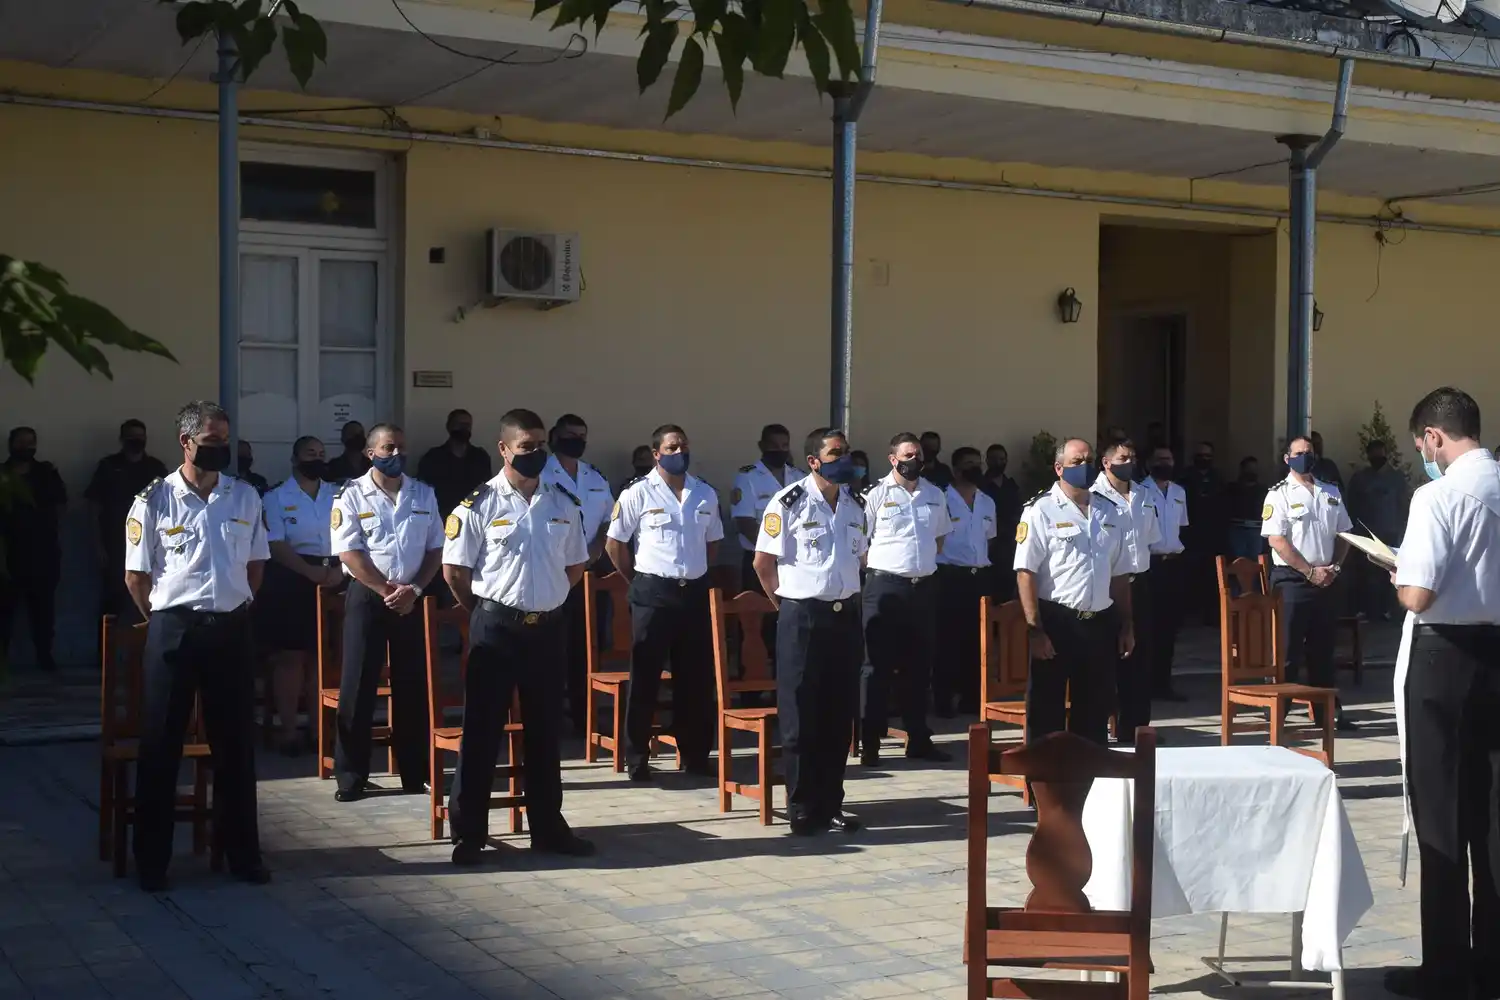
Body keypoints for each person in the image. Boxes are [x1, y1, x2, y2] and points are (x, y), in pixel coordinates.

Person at [123, 400, 269, 891]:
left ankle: (242, 855)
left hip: (229, 628)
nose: (220, 451)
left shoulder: (244, 497)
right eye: (211, 444)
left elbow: (255, 565)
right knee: (161, 744)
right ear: (185, 443)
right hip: (175, 630)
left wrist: (237, 604)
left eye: (225, 442)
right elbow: (136, 576)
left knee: (236, 745)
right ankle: (151, 861)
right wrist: (165, 619)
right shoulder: (152, 500)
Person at [1384, 387, 1500, 1000]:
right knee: (1494, 816)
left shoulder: (1438, 493)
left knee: (1443, 813)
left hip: (1446, 656)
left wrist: (1398, 571)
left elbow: (1418, 595)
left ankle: (1448, 968)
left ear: (1433, 436)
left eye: (1422, 445)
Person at [442, 408, 595, 865]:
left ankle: (548, 827)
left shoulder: (562, 501)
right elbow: (455, 571)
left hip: (546, 629)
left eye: (540, 445)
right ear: (504, 448)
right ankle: (469, 833)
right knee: (482, 731)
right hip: (496, 628)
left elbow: (574, 565)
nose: (536, 454)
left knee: (546, 732)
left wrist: (545, 600)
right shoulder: (478, 504)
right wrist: (487, 611)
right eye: (526, 447)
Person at [752, 427, 866, 836]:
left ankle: (832, 804)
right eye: (835, 453)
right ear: (814, 461)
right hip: (802, 617)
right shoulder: (789, 503)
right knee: (801, 716)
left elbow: (860, 559)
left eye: (846, 452)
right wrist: (786, 605)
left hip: (844, 619)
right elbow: (763, 564)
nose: (844, 459)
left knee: (838, 717)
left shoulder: (855, 504)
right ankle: (801, 806)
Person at [328, 423, 444, 801]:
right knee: (358, 685)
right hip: (369, 596)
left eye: (401, 449)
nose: (396, 455)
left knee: (413, 685)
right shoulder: (350, 496)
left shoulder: (424, 493)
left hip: (411, 597)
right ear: (370, 452)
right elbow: (349, 552)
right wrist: (384, 589)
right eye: (388, 448)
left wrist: (415, 589)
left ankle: (416, 771)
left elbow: (435, 550)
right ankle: (351, 773)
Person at [605, 424, 723, 782]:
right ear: (656, 453)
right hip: (653, 593)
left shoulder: (704, 493)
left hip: (694, 593)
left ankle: (696, 754)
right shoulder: (637, 493)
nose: (679, 452)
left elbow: (713, 542)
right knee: (645, 677)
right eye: (671, 447)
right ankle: (637, 756)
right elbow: (615, 545)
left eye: (683, 446)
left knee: (696, 678)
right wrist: (639, 580)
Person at [1014, 438, 1133, 745]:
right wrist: (1035, 630)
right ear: (1059, 468)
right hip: (1058, 622)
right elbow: (1026, 573)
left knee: (1094, 711)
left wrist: (1126, 624)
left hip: (1100, 623)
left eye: (1089, 460)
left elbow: (1120, 575)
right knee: (1046, 712)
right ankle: (1044, 787)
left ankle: (1089, 785)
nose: (1085, 467)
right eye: (1076, 462)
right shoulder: (1040, 511)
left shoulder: (1111, 512)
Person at [858, 432, 951, 765]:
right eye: (908, 455)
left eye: (919, 455)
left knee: (919, 666)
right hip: (885, 588)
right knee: (876, 668)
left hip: (923, 587)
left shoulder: (935, 495)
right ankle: (869, 741)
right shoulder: (875, 495)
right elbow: (860, 546)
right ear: (893, 459)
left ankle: (918, 738)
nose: (915, 461)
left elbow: (938, 540)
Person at [1261, 434, 1356, 731]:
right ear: (1287, 459)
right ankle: (1279, 711)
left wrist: (1335, 567)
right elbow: (1277, 540)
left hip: (1326, 578)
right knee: (1287, 650)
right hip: (1292, 581)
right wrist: (1308, 571)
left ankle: (1326, 711)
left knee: (1323, 649)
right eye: (1299, 453)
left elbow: (1344, 534)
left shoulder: (1330, 491)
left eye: (1310, 452)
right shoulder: (1279, 494)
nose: (1306, 457)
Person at [257, 437, 341, 755]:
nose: (317, 459)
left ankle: (320, 733)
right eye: (310, 454)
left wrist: (338, 572)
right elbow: (276, 544)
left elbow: (354, 535)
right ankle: (289, 731)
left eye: (321, 454)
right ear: (294, 459)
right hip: (291, 580)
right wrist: (310, 573)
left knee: (322, 658)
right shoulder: (276, 497)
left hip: (334, 577)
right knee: (290, 658)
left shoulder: (339, 494)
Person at [539, 413, 614, 736]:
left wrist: (597, 546)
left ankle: (585, 719)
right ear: (555, 435)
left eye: (582, 434)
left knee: (585, 648)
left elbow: (612, 518)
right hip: (550, 574)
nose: (577, 440)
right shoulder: (540, 473)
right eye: (570, 434)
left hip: (588, 574)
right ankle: (549, 717)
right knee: (551, 650)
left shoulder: (594, 476)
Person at [1090, 439, 1159, 744]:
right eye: (1122, 458)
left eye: (1132, 457)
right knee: (1105, 658)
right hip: (1105, 584)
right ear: (1106, 462)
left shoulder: (1145, 495)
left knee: (1140, 659)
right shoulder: (1093, 498)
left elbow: (1150, 539)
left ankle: (1137, 729)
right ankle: (1102, 727)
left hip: (1139, 580)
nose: (1128, 462)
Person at [934, 447, 996, 717]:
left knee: (976, 642)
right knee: (947, 642)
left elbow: (988, 539)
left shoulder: (987, 501)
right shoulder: (942, 499)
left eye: (977, 463)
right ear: (956, 470)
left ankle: (973, 699)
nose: (975, 468)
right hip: (950, 577)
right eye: (968, 465)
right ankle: (943, 701)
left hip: (978, 577)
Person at [86, 419, 169, 621]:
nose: (137, 441)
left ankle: (145, 651)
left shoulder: (155, 468)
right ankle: (106, 651)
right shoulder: (108, 467)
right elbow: (93, 507)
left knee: (148, 603)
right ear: (122, 439)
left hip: (149, 547)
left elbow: (168, 508)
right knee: (112, 604)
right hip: (115, 545)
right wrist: (98, 546)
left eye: (141, 436)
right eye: (132, 437)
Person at [0, 427, 67, 671]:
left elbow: (61, 505)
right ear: (11, 444)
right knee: (4, 611)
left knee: (42, 610)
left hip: (42, 552)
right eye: (21, 442)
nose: (27, 447)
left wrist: (52, 533)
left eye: (31, 442)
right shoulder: (3, 474)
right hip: (8, 553)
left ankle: (44, 657)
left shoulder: (46, 473)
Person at [1141, 446, 1189, 701]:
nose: (1165, 463)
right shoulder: (1140, 492)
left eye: (1168, 459)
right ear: (1149, 463)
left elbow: (1181, 527)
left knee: (1169, 629)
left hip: (1173, 564)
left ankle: (1163, 684)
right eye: (1159, 459)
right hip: (1150, 564)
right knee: (1148, 626)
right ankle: (1144, 684)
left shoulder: (1179, 492)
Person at [1346, 439, 1410, 620]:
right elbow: (1351, 505)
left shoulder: (1396, 478)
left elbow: (1403, 505)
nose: (1376, 457)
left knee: (1389, 576)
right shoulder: (1360, 479)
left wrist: (1402, 531)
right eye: (1372, 454)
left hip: (1390, 534)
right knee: (1367, 575)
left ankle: (1390, 612)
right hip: (1366, 535)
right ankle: (1370, 612)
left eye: (1379, 453)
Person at [1179, 440, 1225, 625]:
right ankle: (1188, 617)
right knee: (1189, 577)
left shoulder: (1217, 478)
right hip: (1191, 536)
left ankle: (1211, 617)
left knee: (1211, 578)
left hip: (1213, 536)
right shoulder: (1185, 478)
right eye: (1201, 456)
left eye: (1208, 456)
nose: (1204, 459)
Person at [417, 409, 493, 520]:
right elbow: (423, 490)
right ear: (449, 426)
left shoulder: (480, 457)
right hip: (440, 518)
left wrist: (466, 506)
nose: (464, 428)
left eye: (467, 425)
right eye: (460, 424)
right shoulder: (433, 457)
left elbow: (485, 487)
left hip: (473, 516)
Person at [982, 443, 1022, 600]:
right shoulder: (981, 486)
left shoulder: (1011, 485)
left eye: (1002, 459)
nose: (998, 463)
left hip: (1010, 545)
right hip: (989, 546)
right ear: (987, 460)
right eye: (994, 459)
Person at [1224, 456, 1267, 560]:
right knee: (1237, 562)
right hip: (1237, 531)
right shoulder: (1232, 489)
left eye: (1254, 469)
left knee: (1256, 564)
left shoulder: (1263, 491)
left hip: (1256, 531)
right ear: (1242, 470)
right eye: (1249, 468)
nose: (1252, 472)